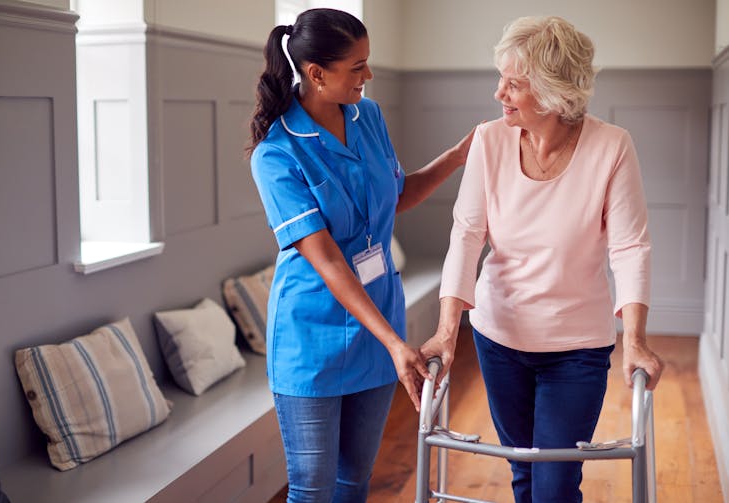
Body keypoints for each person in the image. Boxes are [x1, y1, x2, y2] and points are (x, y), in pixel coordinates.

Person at [420, 16, 664, 503]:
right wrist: (448, 333)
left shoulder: (612, 147)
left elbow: (629, 247)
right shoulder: (490, 140)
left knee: (554, 484)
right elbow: (467, 236)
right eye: (500, 79)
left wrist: (635, 341)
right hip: (498, 336)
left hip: (576, 347)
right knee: (523, 472)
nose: (498, 94)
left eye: (513, 84)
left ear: (554, 93)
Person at [247, 8, 473, 502]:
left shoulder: (366, 116)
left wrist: (456, 157)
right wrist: (397, 344)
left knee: (355, 483)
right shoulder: (277, 154)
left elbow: (397, 196)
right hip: (312, 341)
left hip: (377, 332)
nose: (368, 76)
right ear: (316, 74)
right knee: (312, 488)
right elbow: (326, 260)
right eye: (357, 67)